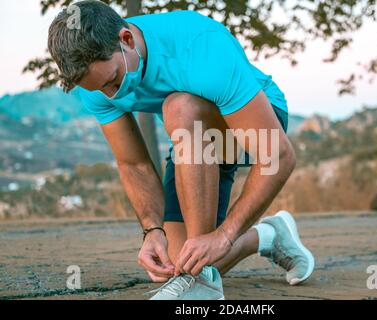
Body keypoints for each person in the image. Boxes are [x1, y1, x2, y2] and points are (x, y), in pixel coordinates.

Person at [47, 0, 315, 300]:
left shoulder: (201, 47)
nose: (110, 94)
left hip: (257, 117)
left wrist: (225, 234)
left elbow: (278, 156)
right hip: (195, 139)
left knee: (179, 106)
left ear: (127, 39)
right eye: (100, 89)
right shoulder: (94, 85)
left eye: (113, 80)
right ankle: (268, 236)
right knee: (180, 260)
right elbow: (133, 163)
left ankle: (201, 282)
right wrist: (152, 231)